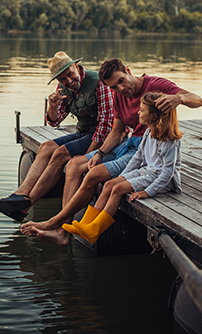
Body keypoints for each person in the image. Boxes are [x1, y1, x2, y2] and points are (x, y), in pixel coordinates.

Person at [21, 58, 202, 245]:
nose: (120, 89)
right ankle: (63, 231)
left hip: (144, 147)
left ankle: (56, 224)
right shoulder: (117, 95)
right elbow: (117, 131)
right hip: (128, 143)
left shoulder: (155, 86)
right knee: (74, 164)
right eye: (114, 87)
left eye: (121, 81)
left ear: (128, 71)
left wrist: (179, 98)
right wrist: (99, 153)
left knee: (93, 175)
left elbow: (198, 100)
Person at [0, 52, 114, 221]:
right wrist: (52, 107)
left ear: (75, 66)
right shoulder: (63, 87)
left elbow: (106, 127)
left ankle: (26, 205)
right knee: (46, 147)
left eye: (70, 74)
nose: (69, 81)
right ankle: (20, 194)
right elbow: (54, 121)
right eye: (63, 79)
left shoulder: (98, 82)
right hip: (83, 132)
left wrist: (88, 155)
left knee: (60, 153)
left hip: (102, 137)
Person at [62, 91, 183, 244]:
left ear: (153, 116)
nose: (138, 112)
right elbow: (138, 157)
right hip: (147, 171)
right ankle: (86, 224)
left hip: (162, 180)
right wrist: (122, 176)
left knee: (117, 190)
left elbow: (167, 173)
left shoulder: (169, 140)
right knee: (109, 185)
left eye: (142, 110)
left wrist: (147, 192)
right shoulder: (147, 133)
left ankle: (95, 230)